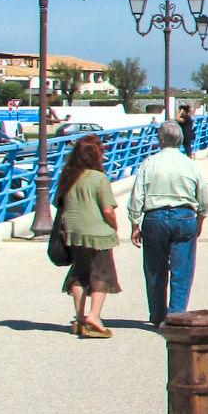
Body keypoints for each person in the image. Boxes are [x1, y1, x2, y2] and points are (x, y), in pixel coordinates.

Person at [130, 120, 208, 326]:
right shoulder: (190, 164)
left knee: (155, 270)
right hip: (184, 216)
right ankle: (176, 316)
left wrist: (134, 224)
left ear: (160, 139)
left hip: (154, 218)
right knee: (182, 270)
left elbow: (137, 196)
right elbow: (203, 197)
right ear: (180, 140)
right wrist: (200, 219)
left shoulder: (149, 163)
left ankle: (157, 315)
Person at [54, 134, 120, 338]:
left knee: (79, 274)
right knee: (102, 274)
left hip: (74, 233)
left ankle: (80, 317)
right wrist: (114, 226)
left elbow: (59, 203)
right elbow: (108, 210)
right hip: (97, 233)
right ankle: (94, 316)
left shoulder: (68, 176)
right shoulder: (98, 178)